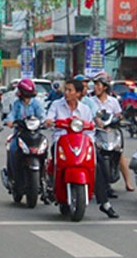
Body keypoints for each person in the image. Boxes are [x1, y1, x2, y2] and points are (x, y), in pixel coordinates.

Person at [45, 78, 119, 218]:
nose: (66, 93)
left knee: (97, 165)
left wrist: (89, 142)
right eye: (66, 90)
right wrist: (50, 121)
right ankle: (52, 188)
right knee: (56, 163)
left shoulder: (85, 109)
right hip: (61, 142)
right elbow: (49, 119)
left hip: (81, 144)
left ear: (78, 93)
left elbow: (90, 129)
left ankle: (104, 202)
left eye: (70, 90)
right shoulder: (56, 105)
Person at [90, 74, 135, 193]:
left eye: (98, 85)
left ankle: (128, 183)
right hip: (96, 132)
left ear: (105, 87)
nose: (96, 87)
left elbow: (119, 114)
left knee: (120, 155)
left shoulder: (113, 101)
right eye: (95, 85)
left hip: (111, 131)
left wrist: (118, 118)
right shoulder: (91, 101)